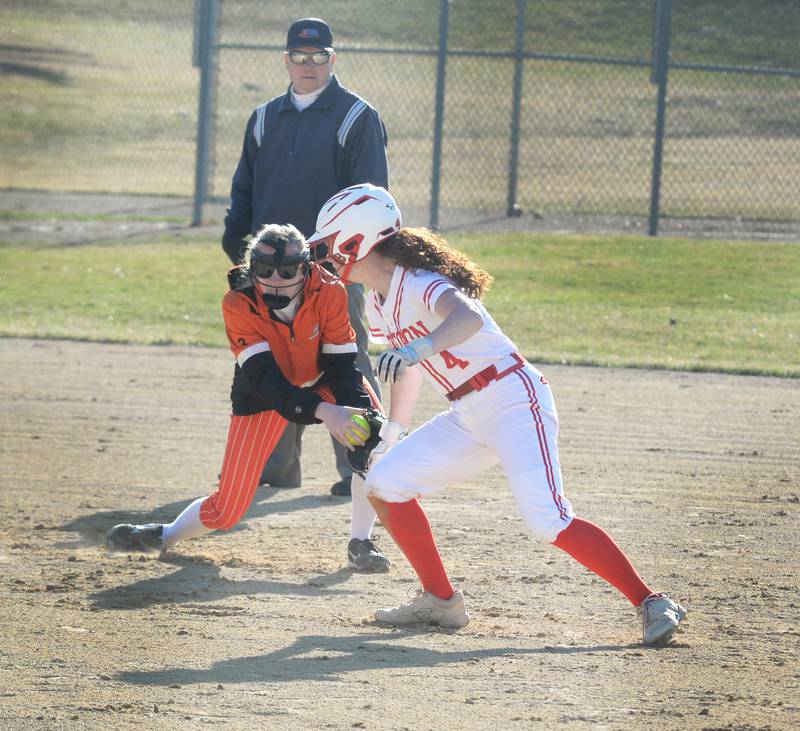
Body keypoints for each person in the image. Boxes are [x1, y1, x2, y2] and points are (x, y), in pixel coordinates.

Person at [308, 184, 687, 645]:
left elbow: (466, 318)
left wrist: (420, 346)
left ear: (357, 241)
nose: (324, 257)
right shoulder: (378, 299)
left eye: (327, 246)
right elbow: (409, 369)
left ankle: (651, 601)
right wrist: (393, 430)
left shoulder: (420, 281)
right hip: (468, 412)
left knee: (547, 520)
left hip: (513, 400)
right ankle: (441, 602)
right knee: (384, 484)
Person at [106, 223, 390, 572]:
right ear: (250, 266)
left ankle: (360, 542)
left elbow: (343, 365)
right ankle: (164, 535)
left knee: (374, 442)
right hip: (265, 393)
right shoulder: (238, 303)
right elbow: (266, 380)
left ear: (304, 267)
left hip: (322, 377)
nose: (274, 279)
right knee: (228, 509)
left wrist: (356, 411)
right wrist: (325, 413)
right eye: (263, 270)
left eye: (286, 271)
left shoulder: (330, 290)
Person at [221, 17, 388, 497]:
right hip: (269, 271)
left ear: (332, 60)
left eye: (319, 57)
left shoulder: (356, 116)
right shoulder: (264, 117)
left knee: (345, 359)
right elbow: (244, 192)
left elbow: (370, 198)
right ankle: (275, 469)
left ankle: (359, 462)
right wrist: (241, 255)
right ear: (286, 60)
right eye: (299, 56)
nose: (308, 65)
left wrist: (344, 264)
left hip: (330, 269)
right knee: (274, 363)